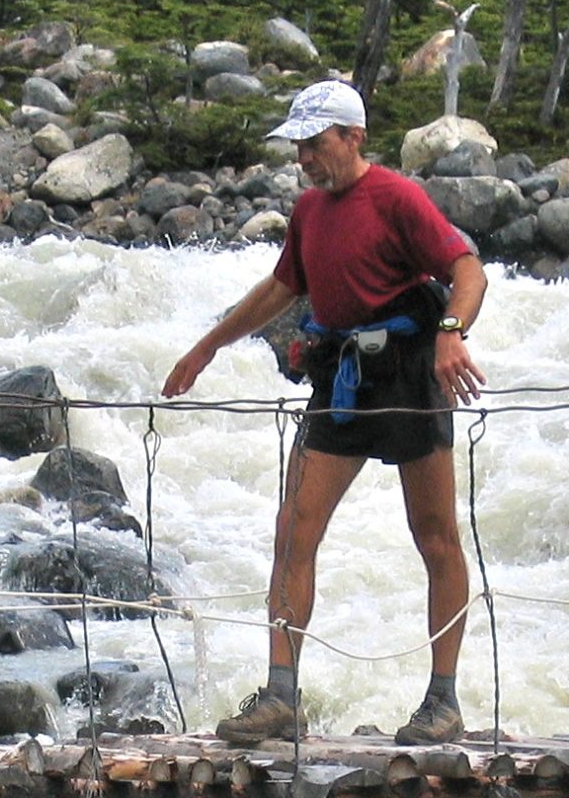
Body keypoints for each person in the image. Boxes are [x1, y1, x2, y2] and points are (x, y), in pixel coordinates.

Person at [162, 78, 488, 746]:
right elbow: (282, 289)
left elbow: (467, 268)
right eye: (299, 147)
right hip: (339, 380)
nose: (305, 158)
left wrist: (451, 332)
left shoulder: (396, 196)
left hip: (405, 373)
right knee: (295, 530)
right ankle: (282, 695)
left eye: (315, 144)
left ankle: (443, 701)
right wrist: (207, 347)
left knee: (435, 538)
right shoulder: (311, 211)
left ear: (353, 137)